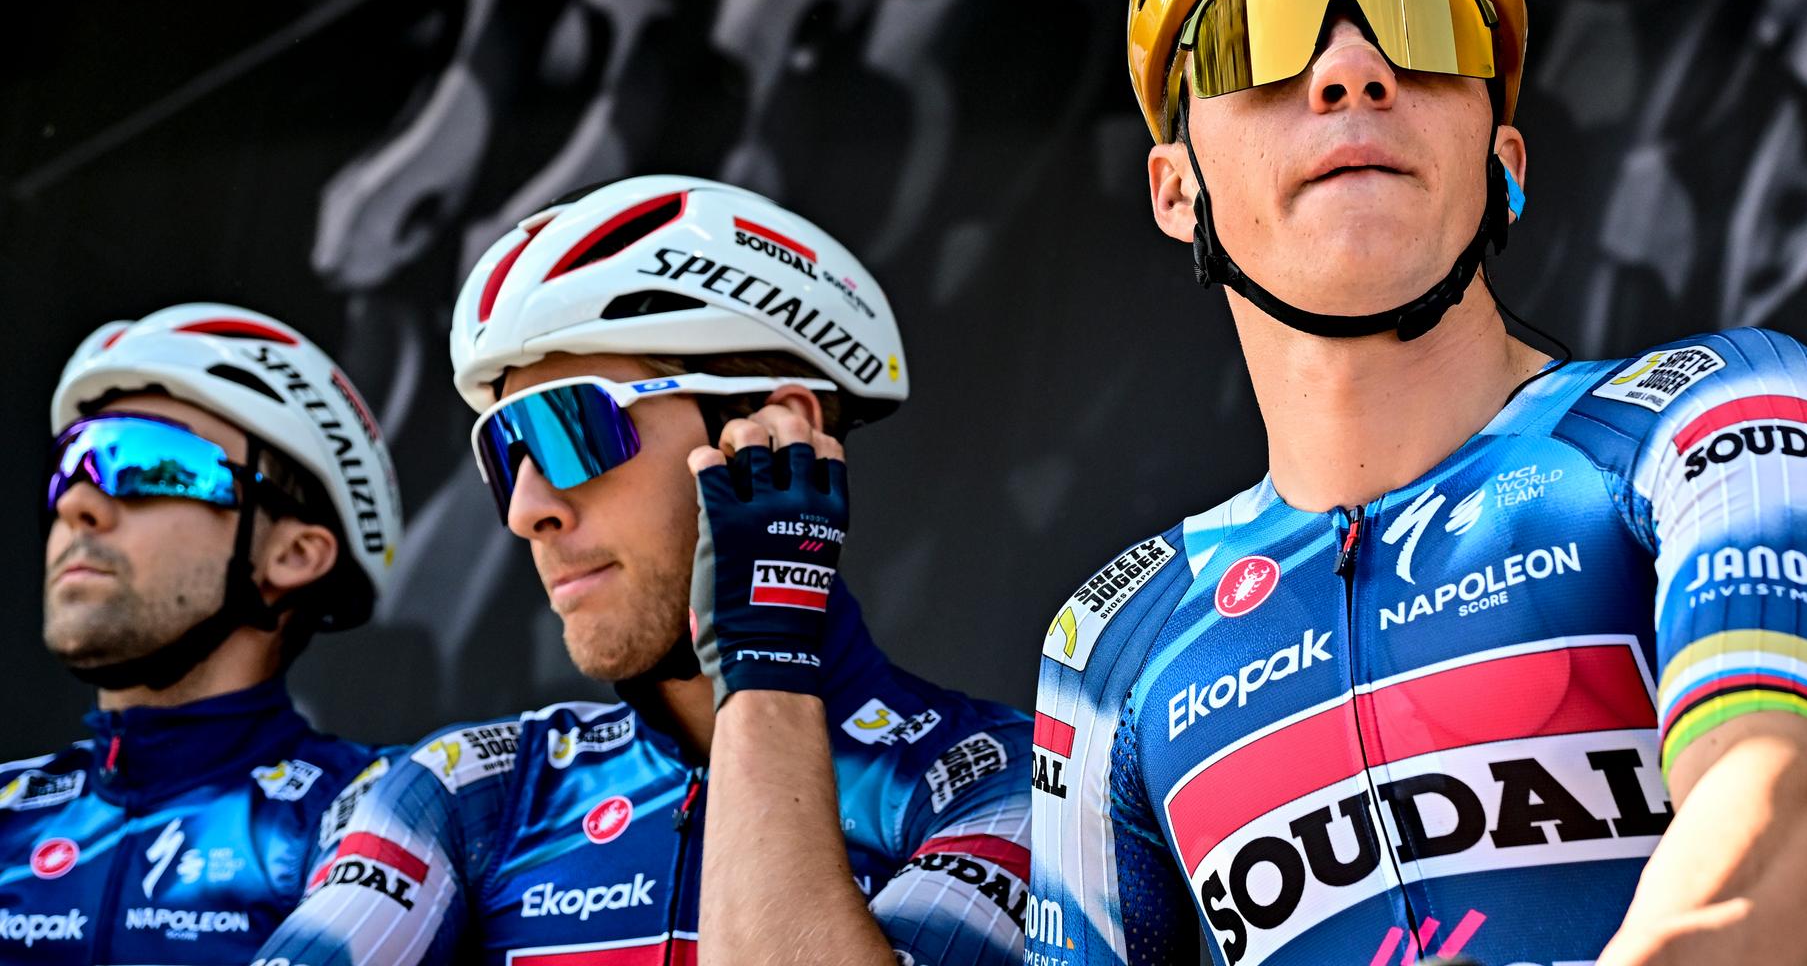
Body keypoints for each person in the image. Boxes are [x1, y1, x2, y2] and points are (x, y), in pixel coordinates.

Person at [1025, 0, 1807, 966]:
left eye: (1423, 24)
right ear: (1174, 188)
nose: (1351, 71)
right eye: (1257, 37)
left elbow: (1786, 820)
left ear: (1505, 161)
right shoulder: (1111, 645)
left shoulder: (1706, 414)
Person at [255, 176, 1033, 966]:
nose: (526, 509)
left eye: (569, 428)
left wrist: (765, 668)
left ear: (776, 434)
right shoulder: (467, 794)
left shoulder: (1003, 783)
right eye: (505, 450)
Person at [0, 304, 403, 964]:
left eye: (149, 461)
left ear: (294, 554)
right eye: (69, 463)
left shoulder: (378, 811)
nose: (78, 502)